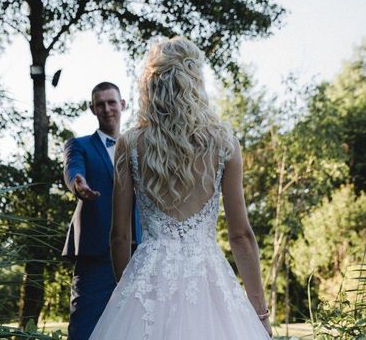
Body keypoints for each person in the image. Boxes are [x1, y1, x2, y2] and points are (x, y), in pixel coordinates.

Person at [89, 38, 273, 339]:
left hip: (147, 278)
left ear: (151, 84)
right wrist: (260, 314)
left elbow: (120, 236)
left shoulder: (131, 144)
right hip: (207, 278)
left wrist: (129, 295)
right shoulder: (223, 142)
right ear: (195, 82)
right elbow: (240, 236)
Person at [62, 82, 142, 340]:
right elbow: (73, 169)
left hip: (141, 251)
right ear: (92, 109)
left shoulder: (141, 146)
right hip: (97, 253)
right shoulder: (80, 145)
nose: (107, 109)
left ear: (123, 105)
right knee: (84, 329)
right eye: (100, 104)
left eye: (111, 102)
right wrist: (77, 183)